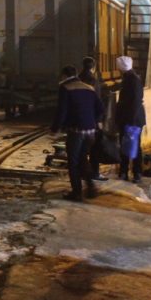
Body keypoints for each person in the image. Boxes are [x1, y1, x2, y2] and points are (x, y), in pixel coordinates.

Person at [50, 64, 104, 202]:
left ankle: (77, 193)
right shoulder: (89, 88)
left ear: (64, 75)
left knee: (73, 162)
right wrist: (95, 120)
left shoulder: (65, 88)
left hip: (76, 131)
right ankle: (91, 187)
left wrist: (56, 128)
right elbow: (100, 108)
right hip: (91, 131)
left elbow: (62, 111)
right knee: (82, 158)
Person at [115, 55, 146, 182]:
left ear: (121, 68)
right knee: (128, 145)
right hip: (131, 119)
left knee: (134, 146)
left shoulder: (132, 80)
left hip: (131, 120)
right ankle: (126, 172)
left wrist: (130, 121)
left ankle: (136, 172)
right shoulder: (132, 79)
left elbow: (134, 103)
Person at [77, 56, 107, 181]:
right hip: (92, 119)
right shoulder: (93, 80)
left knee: (82, 149)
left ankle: (82, 172)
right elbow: (97, 101)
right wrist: (99, 120)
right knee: (95, 148)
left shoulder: (78, 79)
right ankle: (94, 173)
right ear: (93, 67)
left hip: (80, 119)